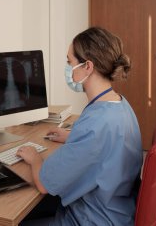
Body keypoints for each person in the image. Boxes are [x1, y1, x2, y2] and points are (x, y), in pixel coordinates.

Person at [17, 27, 143, 225]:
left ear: (88, 67)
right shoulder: (120, 105)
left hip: (93, 219)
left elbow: (43, 184)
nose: (68, 68)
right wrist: (73, 137)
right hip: (118, 209)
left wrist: (34, 158)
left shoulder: (94, 125)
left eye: (70, 62)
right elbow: (108, 143)